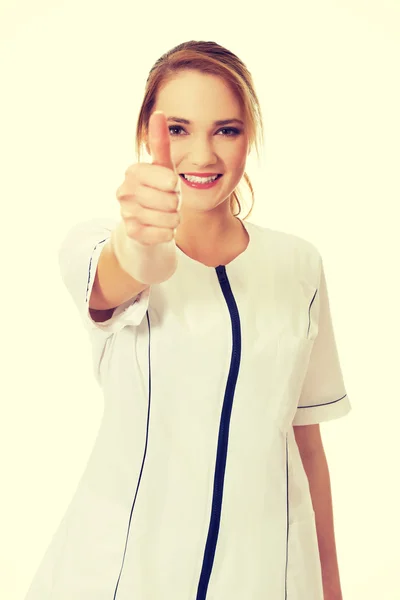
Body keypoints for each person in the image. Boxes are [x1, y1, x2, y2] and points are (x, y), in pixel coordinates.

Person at [25, 40, 351, 600]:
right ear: (145, 136)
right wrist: (141, 243)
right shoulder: (95, 245)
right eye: (178, 129)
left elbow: (306, 444)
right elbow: (125, 274)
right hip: (119, 577)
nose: (201, 155)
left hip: (265, 580)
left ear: (251, 138)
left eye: (225, 130)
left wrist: (330, 588)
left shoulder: (299, 265)